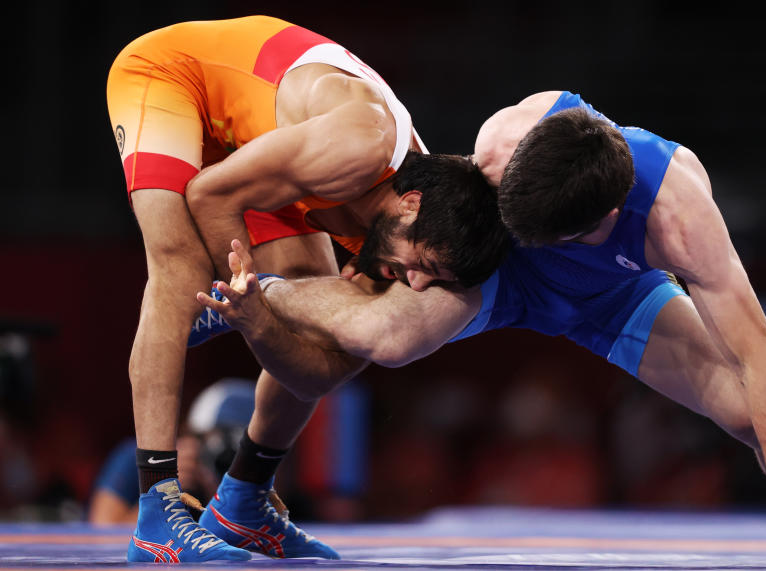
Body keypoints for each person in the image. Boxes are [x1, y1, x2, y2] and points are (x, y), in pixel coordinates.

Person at [194, 91, 766, 567]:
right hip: (500, 266)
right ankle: (262, 313)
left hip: (615, 296)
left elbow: (760, 351)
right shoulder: (501, 144)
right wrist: (377, 263)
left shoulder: (679, 213)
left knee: (750, 411)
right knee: (383, 338)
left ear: (600, 221)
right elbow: (427, 211)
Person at [106, 16, 508, 563]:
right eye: (423, 265)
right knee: (177, 268)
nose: (413, 282)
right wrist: (247, 288)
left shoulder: (403, 220)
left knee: (320, 318)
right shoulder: (360, 148)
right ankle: (156, 510)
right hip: (175, 77)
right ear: (410, 206)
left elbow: (315, 370)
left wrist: (263, 316)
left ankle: (243, 498)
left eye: (429, 280)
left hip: (265, 150)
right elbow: (208, 194)